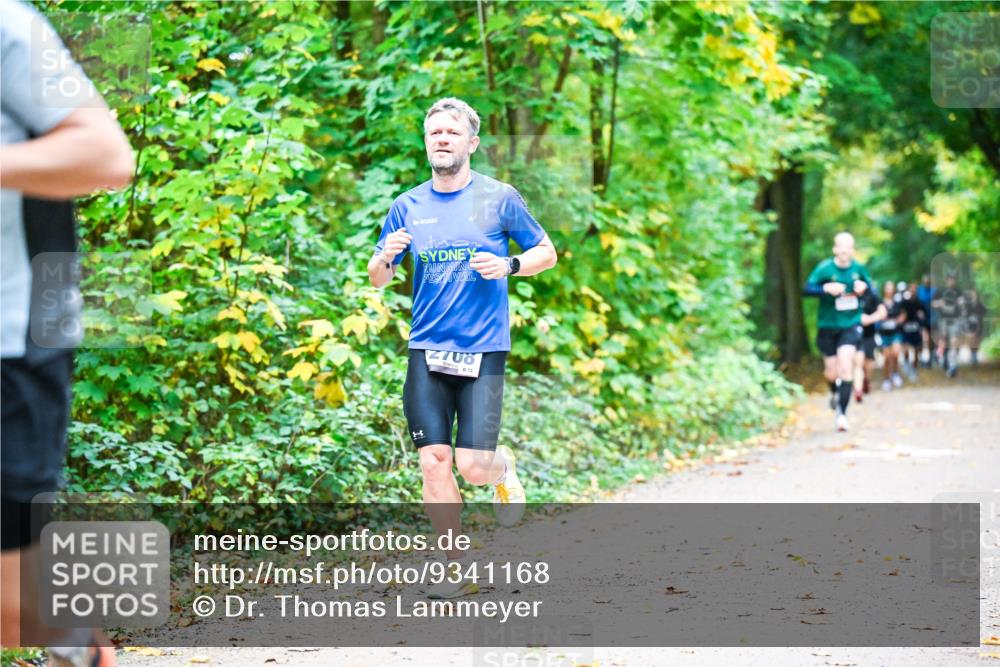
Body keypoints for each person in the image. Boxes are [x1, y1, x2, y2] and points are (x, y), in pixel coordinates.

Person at [368, 98, 557, 599]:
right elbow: (378, 278)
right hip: (426, 349)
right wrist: (386, 257)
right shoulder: (407, 206)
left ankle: (502, 467)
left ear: (471, 143)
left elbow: (547, 252)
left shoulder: (499, 198)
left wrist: (510, 266)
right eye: (435, 132)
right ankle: (454, 568)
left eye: (452, 132)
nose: (442, 139)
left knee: (473, 467)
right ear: (426, 142)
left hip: (484, 348)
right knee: (434, 460)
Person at [1, 1, 134, 665]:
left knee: (13, 612)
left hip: (13, 332)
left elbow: (106, 154)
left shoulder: (9, 28)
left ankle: (74, 643)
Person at [803, 232, 873, 432]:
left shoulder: (859, 269)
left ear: (853, 249)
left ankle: (842, 414)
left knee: (846, 365)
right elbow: (806, 289)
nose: (844, 250)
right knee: (831, 372)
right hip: (827, 325)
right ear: (835, 249)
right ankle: (835, 392)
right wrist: (825, 288)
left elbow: (872, 292)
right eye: (841, 246)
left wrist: (864, 289)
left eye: (848, 247)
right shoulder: (825, 268)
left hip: (850, 324)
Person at [854, 283, 887, 402]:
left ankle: (866, 380)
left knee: (868, 362)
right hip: (852, 335)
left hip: (869, 334)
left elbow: (883, 313)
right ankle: (858, 388)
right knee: (858, 362)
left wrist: (869, 319)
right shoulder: (848, 293)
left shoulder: (872, 295)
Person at [933, 275, 965, 378]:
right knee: (943, 341)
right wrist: (940, 302)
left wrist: (961, 303)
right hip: (943, 319)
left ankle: (952, 365)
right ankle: (941, 358)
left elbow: (963, 303)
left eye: (953, 280)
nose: (952, 282)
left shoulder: (958, 291)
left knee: (954, 341)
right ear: (946, 281)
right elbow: (933, 303)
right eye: (950, 280)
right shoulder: (940, 290)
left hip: (955, 319)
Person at [877, 281, 906, 391]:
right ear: (884, 289)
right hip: (884, 333)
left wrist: (899, 320)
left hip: (895, 332)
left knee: (895, 354)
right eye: (887, 288)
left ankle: (895, 374)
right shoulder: (880, 302)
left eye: (891, 288)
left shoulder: (898, 301)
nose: (889, 290)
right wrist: (881, 318)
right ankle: (886, 379)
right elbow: (877, 315)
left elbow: (903, 313)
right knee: (886, 357)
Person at [899, 281, 925, 382]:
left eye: (915, 288)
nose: (913, 290)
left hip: (916, 328)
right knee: (905, 348)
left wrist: (921, 319)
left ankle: (914, 368)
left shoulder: (919, 302)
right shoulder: (904, 302)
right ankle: (906, 364)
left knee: (917, 349)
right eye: (912, 288)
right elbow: (901, 314)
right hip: (906, 328)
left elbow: (923, 315)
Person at [917, 274, 936, 367]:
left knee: (931, 339)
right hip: (922, 318)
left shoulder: (934, 290)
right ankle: (921, 358)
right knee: (921, 337)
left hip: (932, 317)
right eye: (925, 281)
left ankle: (931, 358)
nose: (926, 283)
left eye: (928, 281)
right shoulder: (919, 290)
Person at [964, 288, 986, 366]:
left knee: (977, 340)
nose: (973, 295)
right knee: (971, 339)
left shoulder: (980, 304)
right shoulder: (968, 303)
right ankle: (972, 355)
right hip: (971, 324)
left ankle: (975, 355)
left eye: (975, 294)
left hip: (979, 324)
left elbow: (984, 312)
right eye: (972, 294)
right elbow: (966, 314)